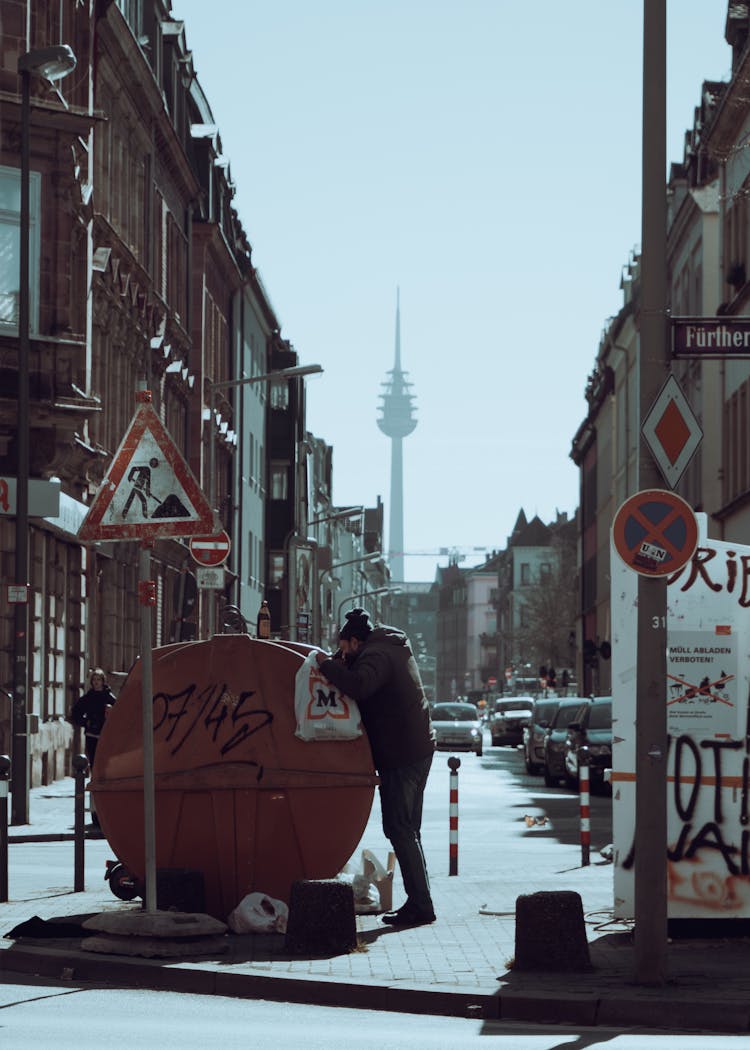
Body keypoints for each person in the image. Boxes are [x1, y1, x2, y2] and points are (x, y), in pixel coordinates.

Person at [314, 608, 436, 927]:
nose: (342, 653)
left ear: (355, 641)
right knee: (408, 829)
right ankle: (421, 902)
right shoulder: (387, 647)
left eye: (344, 647)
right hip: (413, 748)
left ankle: (421, 906)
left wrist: (325, 664)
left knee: (400, 829)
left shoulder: (378, 654)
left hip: (403, 753)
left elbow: (360, 685)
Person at [70, 668, 116, 771]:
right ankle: (94, 778)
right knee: (93, 758)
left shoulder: (108, 696)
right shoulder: (88, 697)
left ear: (103, 681)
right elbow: (75, 712)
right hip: (91, 733)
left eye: (98, 679)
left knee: (104, 758)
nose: (96, 682)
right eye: (94, 679)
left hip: (105, 733)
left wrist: (110, 714)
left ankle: (103, 779)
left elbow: (118, 712)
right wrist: (85, 722)